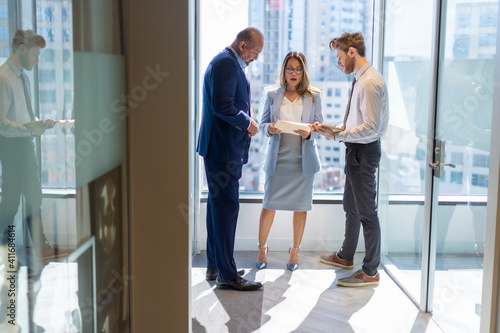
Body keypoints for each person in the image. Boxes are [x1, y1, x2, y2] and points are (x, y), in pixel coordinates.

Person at [312, 32, 389, 287]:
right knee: (351, 206)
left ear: (352, 51)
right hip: (355, 150)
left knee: (367, 213)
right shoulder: (360, 79)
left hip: (364, 153)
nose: (338, 62)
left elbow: (372, 128)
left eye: (339, 56)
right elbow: (355, 123)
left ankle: (370, 272)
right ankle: (346, 256)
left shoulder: (369, 83)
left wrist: (340, 135)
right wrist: (331, 130)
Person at [197, 27, 264, 291]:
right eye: (255, 52)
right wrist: (248, 123)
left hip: (218, 149)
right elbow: (222, 106)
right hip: (223, 151)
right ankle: (227, 273)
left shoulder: (224, 61)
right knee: (226, 211)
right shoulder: (226, 63)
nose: (255, 58)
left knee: (218, 211)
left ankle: (216, 266)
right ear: (243, 44)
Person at [0, 29, 67, 262]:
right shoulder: (4, 78)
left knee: (33, 196)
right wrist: (27, 129)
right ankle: (4, 253)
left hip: (24, 144)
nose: (38, 60)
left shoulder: (22, 76)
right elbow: (0, 123)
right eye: (36, 55)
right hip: (11, 147)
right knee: (9, 203)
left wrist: (38, 124)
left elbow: (22, 114)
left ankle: (41, 247)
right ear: (22, 49)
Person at [255, 51, 323, 271]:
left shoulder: (314, 96)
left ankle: (295, 251)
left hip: (303, 160)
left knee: (300, 207)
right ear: (283, 71)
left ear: (304, 72)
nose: (294, 73)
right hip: (278, 157)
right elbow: (263, 124)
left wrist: (310, 133)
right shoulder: (272, 94)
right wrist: (270, 128)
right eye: (290, 68)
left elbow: (318, 126)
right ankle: (262, 247)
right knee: (269, 205)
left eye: (298, 69)